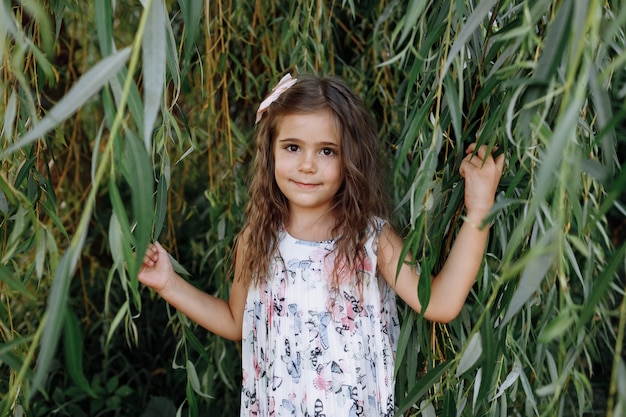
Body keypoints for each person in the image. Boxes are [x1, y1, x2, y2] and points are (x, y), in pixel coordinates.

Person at [138, 73, 505, 416]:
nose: (308, 165)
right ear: (271, 152)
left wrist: (479, 210)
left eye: (327, 151)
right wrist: (170, 284)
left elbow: (440, 302)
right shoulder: (258, 239)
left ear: (351, 159)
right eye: (293, 147)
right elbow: (238, 322)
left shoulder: (369, 239)